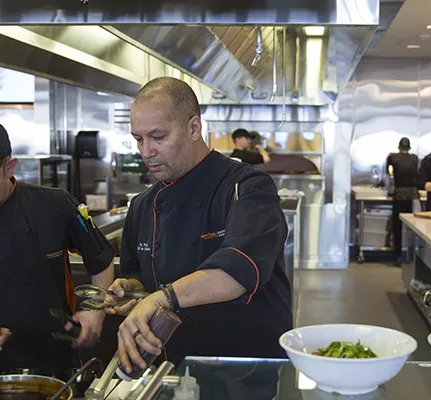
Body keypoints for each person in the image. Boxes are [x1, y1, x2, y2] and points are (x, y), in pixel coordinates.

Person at [105, 77, 292, 375]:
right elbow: (139, 277)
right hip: (173, 370)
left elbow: (238, 271)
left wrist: (160, 298)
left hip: (248, 370)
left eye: (158, 137)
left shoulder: (246, 187)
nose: (146, 151)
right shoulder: (142, 205)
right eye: (139, 139)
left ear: (194, 128)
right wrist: (132, 291)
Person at [0, 125, 115, 377]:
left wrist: (95, 310)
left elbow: (101, 258)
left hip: (54, 360)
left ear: (9, 166)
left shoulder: (54, 205)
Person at [386, 137, 419, 264]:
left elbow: (388, 174)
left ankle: (398, 256)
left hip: (399, 194)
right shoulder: (414, 158)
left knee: (397, 227)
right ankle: (412, 255)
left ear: (399, 147)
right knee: (413, 227)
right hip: (412, 195)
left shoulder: (392, 157)